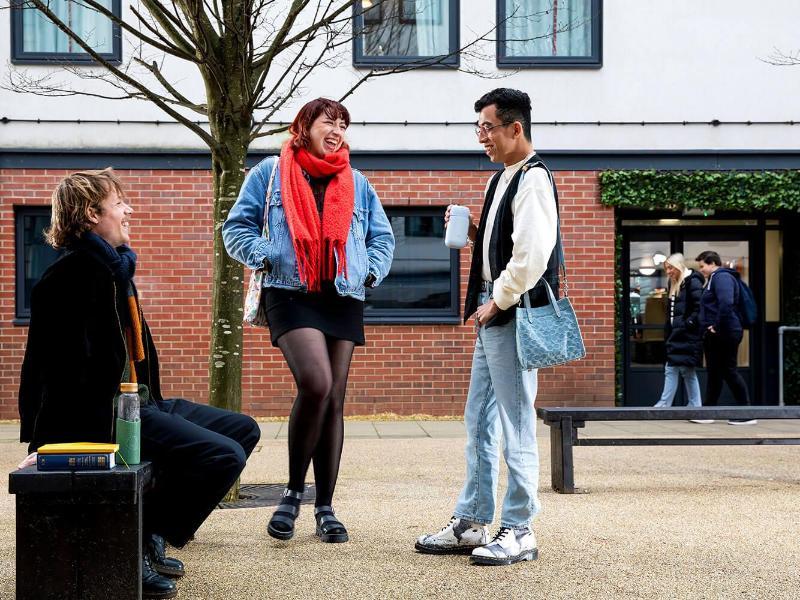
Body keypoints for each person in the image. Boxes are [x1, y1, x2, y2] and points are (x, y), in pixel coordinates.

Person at [18, 169, 261, 600]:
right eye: (118, 204)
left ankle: (152, 533)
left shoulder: (114, 270)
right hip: (101, 416)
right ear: (91, 214)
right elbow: (52, 369)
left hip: (140, 401)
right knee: (223, 456)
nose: (129, 210)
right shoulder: (71, 276)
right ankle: (141, 540)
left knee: (243, 429)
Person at [223, 98, 395, 544]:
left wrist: (370, 270)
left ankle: (325, 507)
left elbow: (382, 236)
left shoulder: (355, 181)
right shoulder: (268, 173)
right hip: (289, 291)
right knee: (316, 383)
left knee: (334, 399)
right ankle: (293, 492)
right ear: (305, 126)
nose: (336, 128)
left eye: (343, 123)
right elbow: (235, 228)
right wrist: (266, 255)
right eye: (327, 121)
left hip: (341, 294)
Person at [415, 88, 559, 566]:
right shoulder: (504, 178)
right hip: (493, 311)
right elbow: (514, 244)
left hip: (508, 313)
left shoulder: (533, 179)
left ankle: (520, 529)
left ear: (516, 128)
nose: (482, 137)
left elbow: (533, 257)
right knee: (479, 418)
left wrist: (495, 302)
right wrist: (477, 234)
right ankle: (473, 520)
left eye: (488, 128)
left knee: (515, 422)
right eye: (478, 128)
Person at [695, 250, 755, 425]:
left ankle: (746, 412)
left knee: (728, 370)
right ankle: (708, 411)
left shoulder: (721, 278)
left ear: (712, 263)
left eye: (702, 266)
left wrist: (716, 326)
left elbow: (726, 302)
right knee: (715, 372)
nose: (701, 270)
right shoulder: (715, 279)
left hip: (725, 332)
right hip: (721, 332)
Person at [653, 253, 705, 410]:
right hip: (677, 334)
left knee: (684, 370)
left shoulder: (692, 282)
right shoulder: (674, 283)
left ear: (679, 266)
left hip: (687, 335)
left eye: (670, 268)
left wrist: (686, 324)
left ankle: (671, 405)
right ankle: (692, 405)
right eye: (666, 268)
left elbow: (699, 307)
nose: (668, 272)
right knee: (676, 369)